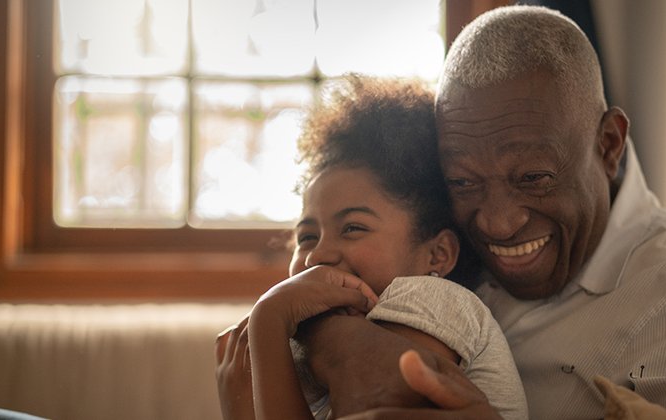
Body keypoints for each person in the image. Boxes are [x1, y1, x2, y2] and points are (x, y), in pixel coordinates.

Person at [296, 5, 666, 419]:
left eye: (534, 178)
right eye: (464, 182)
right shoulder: (439, 240)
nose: (497, 223)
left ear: (609, 144)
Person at [215, 75, 528, 420]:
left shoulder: (435, 300)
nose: (317, 255)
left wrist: (268, 319)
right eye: (307, 236)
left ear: (436, 255)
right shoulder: (309, 342)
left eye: (352, 228)